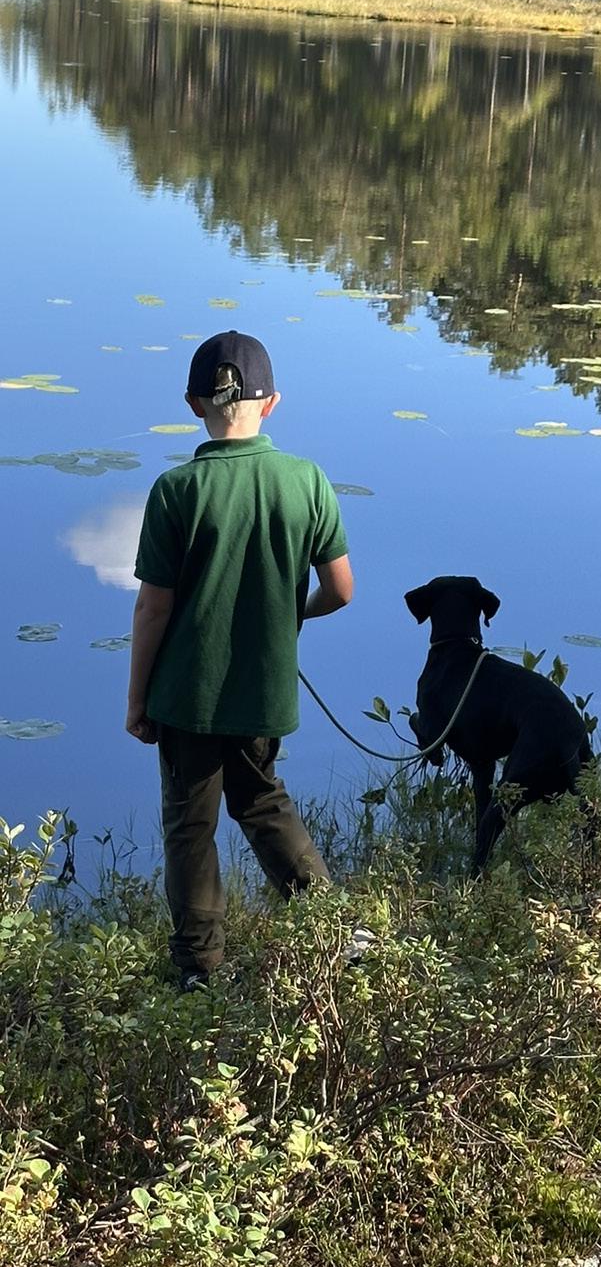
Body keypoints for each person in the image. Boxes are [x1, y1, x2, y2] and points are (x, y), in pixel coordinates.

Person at [126, 330, 354, 990]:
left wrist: (137, 701)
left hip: (186, 697)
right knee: (261, 800)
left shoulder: (175, 490)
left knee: (190, 826)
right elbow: (341, 590)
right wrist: (288, 616)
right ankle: (335, 931)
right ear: (271, 403)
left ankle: (199, 970)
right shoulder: (306, 480)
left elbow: (153, 609)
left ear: (194, 403)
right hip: (264, 690)